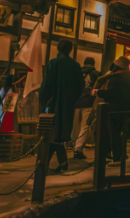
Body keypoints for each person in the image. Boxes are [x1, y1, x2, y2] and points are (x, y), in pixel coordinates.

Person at [39, 40, 85, 173]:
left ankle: (44, 164)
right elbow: (80, 87)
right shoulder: (76, 65)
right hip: (68, 105)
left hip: (53, 103)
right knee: (59, 134)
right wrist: (72, 100)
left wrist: (43, 101)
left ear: (58, 48)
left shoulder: (53, 63)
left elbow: (47, 83)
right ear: (70, 49)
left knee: (51, 133)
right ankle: (61, 162)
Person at [95, 56, 130, 164]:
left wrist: (98, 92)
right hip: (129, 109)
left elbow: (111, 93)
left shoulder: (116, 78)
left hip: (114, 109)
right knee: (120, 133)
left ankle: (117, 158)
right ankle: (121, 155)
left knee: (113, 133)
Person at [70, 57, 99, 159]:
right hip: (88, 102)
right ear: (93, 63)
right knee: (85, 126)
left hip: (76, 102)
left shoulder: (77, 73)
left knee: (75, 125)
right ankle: (78, 149)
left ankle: (74, 146)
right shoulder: (96, 74)